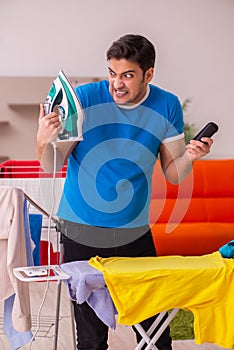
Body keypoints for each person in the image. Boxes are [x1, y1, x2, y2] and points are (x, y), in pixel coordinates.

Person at [36, 34, 213, 350]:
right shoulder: (85, 99)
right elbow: (52, 163)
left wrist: (192, 157)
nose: (117, 83)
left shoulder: (166, 104)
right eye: (112, 73)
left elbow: (173, 173)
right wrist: (42, 138)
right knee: (91, 337)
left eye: (127, 75)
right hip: (81, 228)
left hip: (134, 231)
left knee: (156, 330)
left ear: (149, 74)